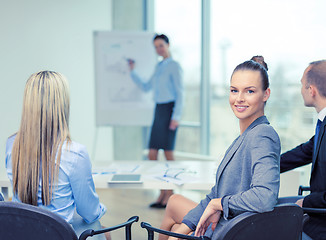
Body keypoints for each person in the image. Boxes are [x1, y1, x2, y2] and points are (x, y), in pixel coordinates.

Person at [159, 56, 281, 239]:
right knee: (174, 206)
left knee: (173, 229)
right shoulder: (245, 136)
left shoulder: (262, 134)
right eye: (234, 90)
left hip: (232, 228)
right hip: (225, 221)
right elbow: (217, 193)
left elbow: (265, 196)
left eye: (249, 91)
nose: (239, 99)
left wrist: (220, 204)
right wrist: (185, 229)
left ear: (266, 94)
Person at [5, 71, 109, 240]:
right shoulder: (75, 153)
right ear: (62, 104)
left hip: (20, 232)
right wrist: (101, 209)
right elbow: (89, 213)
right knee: (98, 226)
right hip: (57, 235)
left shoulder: (11, 144)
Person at [128, 34, 184, 208]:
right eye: (156, 47)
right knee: (152, 154)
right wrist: (132, 71)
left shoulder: (174, 66)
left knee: (168, 154)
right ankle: (163, 192)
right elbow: (146, 86)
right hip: (159, 110)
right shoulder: (159, 66)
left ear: (168, 45)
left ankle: (171, 193)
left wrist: (176, 117)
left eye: (161, 45)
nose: (159, 49)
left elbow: (180, 92)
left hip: (169, 110)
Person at [280, 60, 326, 240]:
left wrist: (305, 202)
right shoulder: (323, 123)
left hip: (321, 223)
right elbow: (305, 151)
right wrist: (268, 165)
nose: (300, 90)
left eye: (302, 85)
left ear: (312, 90)